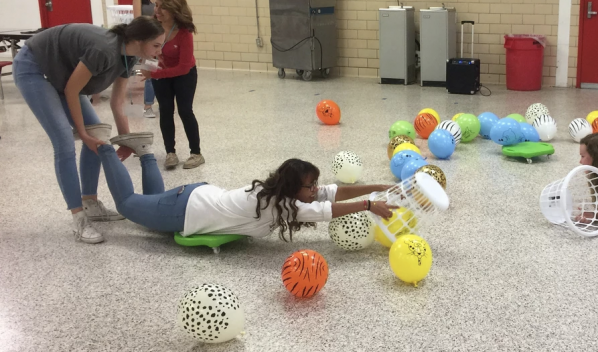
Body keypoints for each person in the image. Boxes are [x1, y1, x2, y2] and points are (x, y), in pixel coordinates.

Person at [11, 17, 165, 243]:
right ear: (139, 40)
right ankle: (79, 219)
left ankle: (90, 202)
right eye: (156, 45)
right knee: (64, 142)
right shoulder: (103, 50)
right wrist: (82, 134)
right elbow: (72, 90)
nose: (158, 52)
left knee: (96, 136)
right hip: (36, 68)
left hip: (61, 73)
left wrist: (125, 139)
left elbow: (116, 101)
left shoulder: (129, 56)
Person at [95, 134, 396, 239]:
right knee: (125, 204)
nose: (315, 189)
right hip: (185, 211)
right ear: (292, 190)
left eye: (314, 183)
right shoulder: (279, 206)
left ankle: (146, 152)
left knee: (148, 201)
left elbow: (330, 193)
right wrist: (369, 204)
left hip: (192, 197)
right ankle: (103, 147)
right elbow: (325, 210)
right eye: (309, 186)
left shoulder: (278, 195)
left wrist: (377, 187)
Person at [143, 0, 204, 170]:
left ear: (174, 9)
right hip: (161, 75)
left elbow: (183, 67)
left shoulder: (184, 32)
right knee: (166, 110)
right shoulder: (152, 28)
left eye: (163, 8)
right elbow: (145, 53)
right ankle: (170, 153)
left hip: (184, 76)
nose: (158, 11)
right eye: (156, 6)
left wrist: (154, 74)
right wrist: (147, 68)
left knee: (185, 111)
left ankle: (196, 153)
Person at [132, 0, 168, 119]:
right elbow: (138, 19)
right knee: (150, 71)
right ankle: (147, 106)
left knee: (165, 71)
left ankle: (164, 103)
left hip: (164, 37)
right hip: (148, 38)